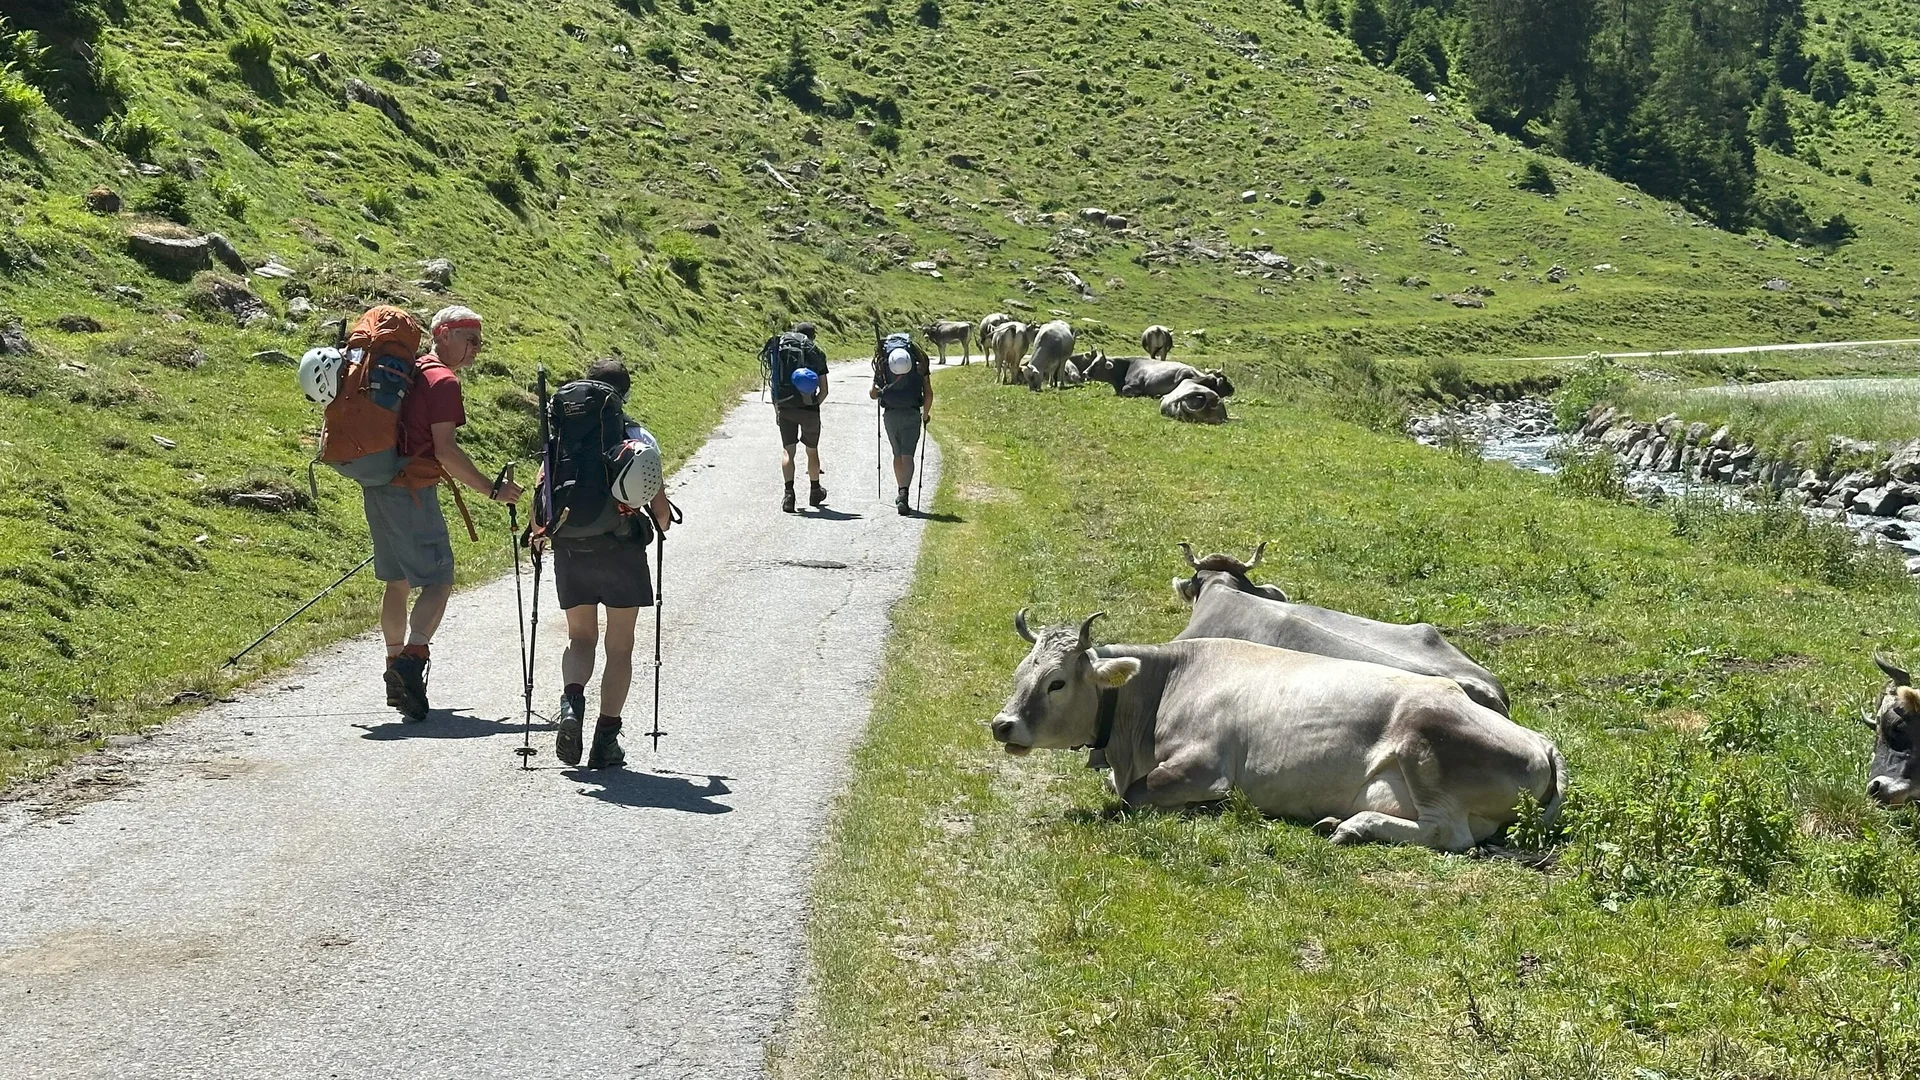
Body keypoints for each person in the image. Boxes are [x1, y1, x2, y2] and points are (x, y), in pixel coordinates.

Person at [368, 305, 522, 719]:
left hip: (378, 484)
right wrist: (493, 490)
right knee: (439, 579)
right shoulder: (442, 381)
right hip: (413, 490)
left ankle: (394, 666)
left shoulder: (411, 370)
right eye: (470, 339)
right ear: (445, 333)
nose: (476, 349)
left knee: (397, 580)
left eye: (480, 341)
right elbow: (445, 451)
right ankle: (411, 662)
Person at [541, 359, 674, 769]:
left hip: (570, 548)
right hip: (620, 551)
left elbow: (542, 500)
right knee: (619, 647)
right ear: (623, 395)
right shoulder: (635, 436)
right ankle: (605, 741)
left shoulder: (561, 438)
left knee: (580, 639)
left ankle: (571, 705)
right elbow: (662, 513)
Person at [765, 321, 830, 513]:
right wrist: (813, 405)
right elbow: (825, 391)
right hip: (809, 408)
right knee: (811, 450)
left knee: (788, 452)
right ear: (813, 336)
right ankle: (815, 490)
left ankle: (789, 494)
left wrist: (778, 410)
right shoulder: (815, 352)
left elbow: (774, 386)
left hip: (785, 406)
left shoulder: (782, 351)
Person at [870, 332, 933, 516]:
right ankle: (904, 493)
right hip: (912, 413)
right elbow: (928, 393)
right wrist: (926, 414)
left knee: (897, 454)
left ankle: (900, 490)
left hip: (891, 416)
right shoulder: (919, 363)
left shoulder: (883, 361)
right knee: (908, 456)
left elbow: (873, 393)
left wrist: (882, 390)